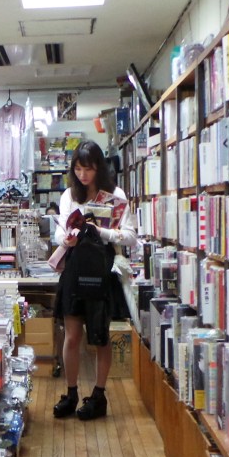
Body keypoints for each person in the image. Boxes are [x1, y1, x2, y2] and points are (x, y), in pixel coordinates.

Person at [52, 141, 136, 420]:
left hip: (102, 270)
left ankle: (99, 395)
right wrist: (66, 238)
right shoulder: (69, 195)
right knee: (72, 335)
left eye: (87, 168)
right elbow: (59, 232)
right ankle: (71, 392)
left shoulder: (116, 195)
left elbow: (131, 236)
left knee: (99, 336)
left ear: (98, 167)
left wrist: (101, 232)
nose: (82, 175)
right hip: (75, 269)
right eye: (77, 168)